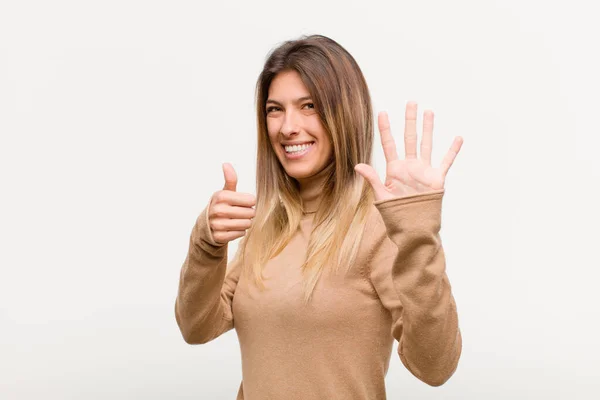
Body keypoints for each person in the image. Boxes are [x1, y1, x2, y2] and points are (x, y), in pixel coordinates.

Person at [175, 34, 464, 399]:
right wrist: (206, 243)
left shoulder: (376, 228)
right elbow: (196, 327)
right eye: (274, 109)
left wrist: (418, 236)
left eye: (308, 105)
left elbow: (436, 366)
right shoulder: (266, 226)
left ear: (343, 113)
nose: (287, 127)